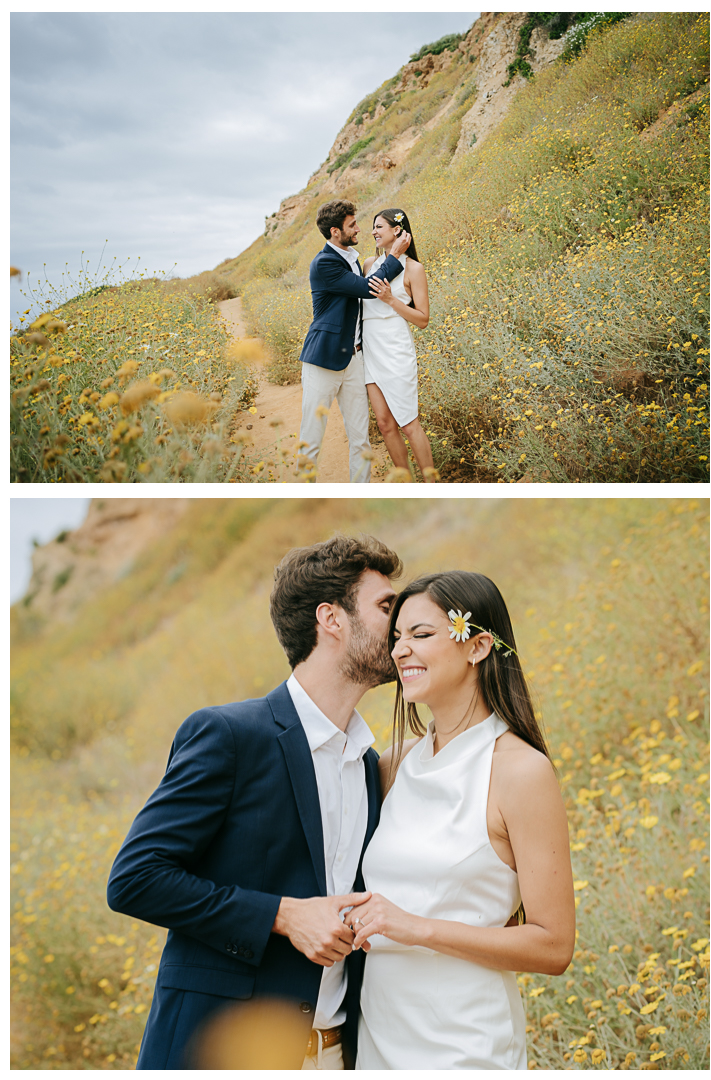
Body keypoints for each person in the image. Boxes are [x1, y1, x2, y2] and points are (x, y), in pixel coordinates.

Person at [106, 534, 403, 1070]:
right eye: (386, 606)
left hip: (339, 1055)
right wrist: (284, 916)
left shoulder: (367, 765)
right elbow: (135, 878)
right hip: (221, 1051)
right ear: (331, 619)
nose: (402, 624)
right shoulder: (228, 734)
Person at [348, 571, 575, 1070]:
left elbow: (554, 946)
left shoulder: (520, 771)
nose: (400, 650)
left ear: (477, 647)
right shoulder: (394, 764)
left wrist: (414, 927)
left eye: (422, 635)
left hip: (463, 1047)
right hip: (378, 1040)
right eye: (397, 637)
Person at [298, 200, 411, 483]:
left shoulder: (352, 258)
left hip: (354, 359)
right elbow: (367, 289)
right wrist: (395, 256)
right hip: (323, 360)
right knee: (311, 440)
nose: (359, 229)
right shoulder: (324, 263)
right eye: (352, 225)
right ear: (335, 232)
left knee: (360, 439)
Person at [362, 209, 436, 482]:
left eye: (379, 226)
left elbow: (423, 319)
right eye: (372, 227)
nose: (373, 232)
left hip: (395, 349)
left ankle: (432, 484)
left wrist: (393, 300)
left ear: (397, 230)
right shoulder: (369, 263)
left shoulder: (414, 268)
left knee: (408, 422)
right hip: (370, 351)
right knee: (384, 423)